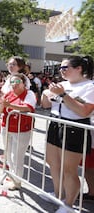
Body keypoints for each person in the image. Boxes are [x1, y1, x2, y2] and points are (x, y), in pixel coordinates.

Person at [41, 55, 94, 213]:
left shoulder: (90, 86)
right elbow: (44, 105)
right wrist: (45, 94)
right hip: (55, 124)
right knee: (53, 163)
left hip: (74, 128)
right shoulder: (61, 84)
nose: (61, 71)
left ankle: (69, 204)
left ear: (79, 69)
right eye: (60, 68)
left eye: (65, 68)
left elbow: (84, 111)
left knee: (69, 169)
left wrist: (63, 95)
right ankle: (58, 195)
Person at [0, 73, 36, 190]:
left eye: (17, 82)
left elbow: (28, 107)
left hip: (21, 130)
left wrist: (9, 105)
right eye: (11, 82)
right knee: (8, 154)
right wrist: (0, 103)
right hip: (6, 128)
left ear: (24, 83)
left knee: (16, 157)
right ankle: (12, 177)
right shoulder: (8, 94)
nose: (14, 84)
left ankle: (17, 181)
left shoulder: (29, 94)